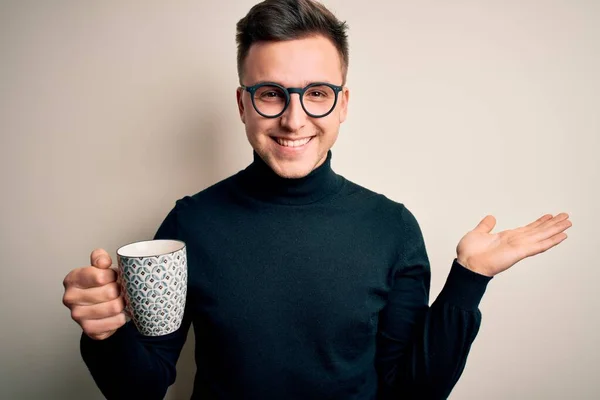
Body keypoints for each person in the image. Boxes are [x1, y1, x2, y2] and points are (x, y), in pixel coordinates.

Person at [61, 0, 572, 399]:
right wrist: (105, 334)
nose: (294, 118)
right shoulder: (191, 223)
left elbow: (412, 394)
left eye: (318, 93)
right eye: (271, 93)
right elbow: (142, 388)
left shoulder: (392, 228)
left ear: (343, 103)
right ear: (242, 103)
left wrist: (468, 281)